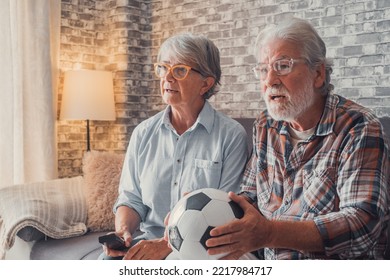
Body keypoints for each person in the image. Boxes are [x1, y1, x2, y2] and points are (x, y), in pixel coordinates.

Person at [206, 17, 390, 259]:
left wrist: (270, 233)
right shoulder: (266, 125)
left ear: (318, 73)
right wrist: (208, 208)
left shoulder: (358, 127)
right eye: (263, 69)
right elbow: (250, 197)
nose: (269, 80)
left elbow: (361, 226)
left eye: (282, 66)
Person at [99, 33, 249, 260]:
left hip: (203, 249)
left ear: (206, 83)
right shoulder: (143, 133)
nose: (167, 78)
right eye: (163, 68)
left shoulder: (231, 135)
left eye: (179, 70)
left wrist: (166, 246)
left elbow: (227, 215)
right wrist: (123, 231)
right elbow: (131, 199)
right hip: (149, 240)